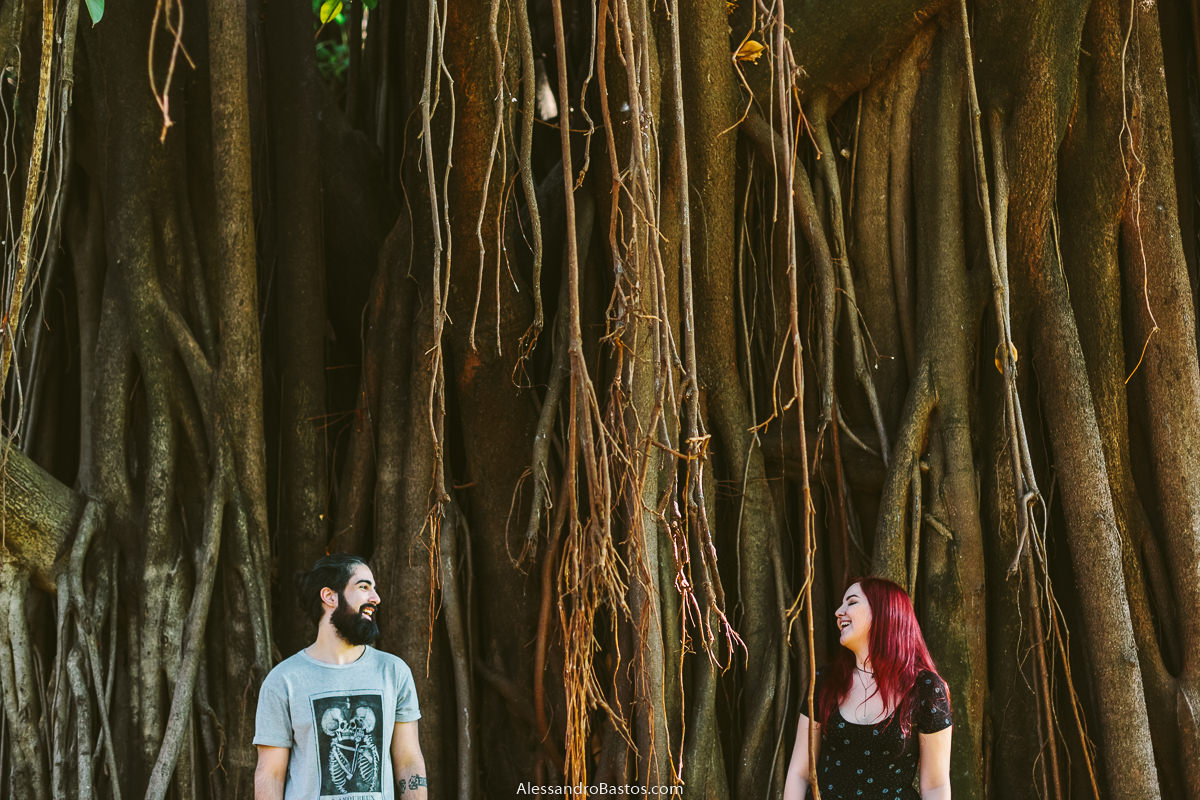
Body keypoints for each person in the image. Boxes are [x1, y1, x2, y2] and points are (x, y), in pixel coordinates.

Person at [254, 554, 428, 799]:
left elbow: (409, 760)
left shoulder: (394, 672)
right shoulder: (283, 681)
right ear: (330, 596)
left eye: (374, 589)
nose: (375, 598)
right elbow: (270, 773)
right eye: (364, 587)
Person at [783, 577, 952, 800]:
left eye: (851, 602)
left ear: (885, 612)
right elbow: (800, 773)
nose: (838, 611)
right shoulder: (825, 682)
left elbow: (935, 786)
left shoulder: (926, 689)